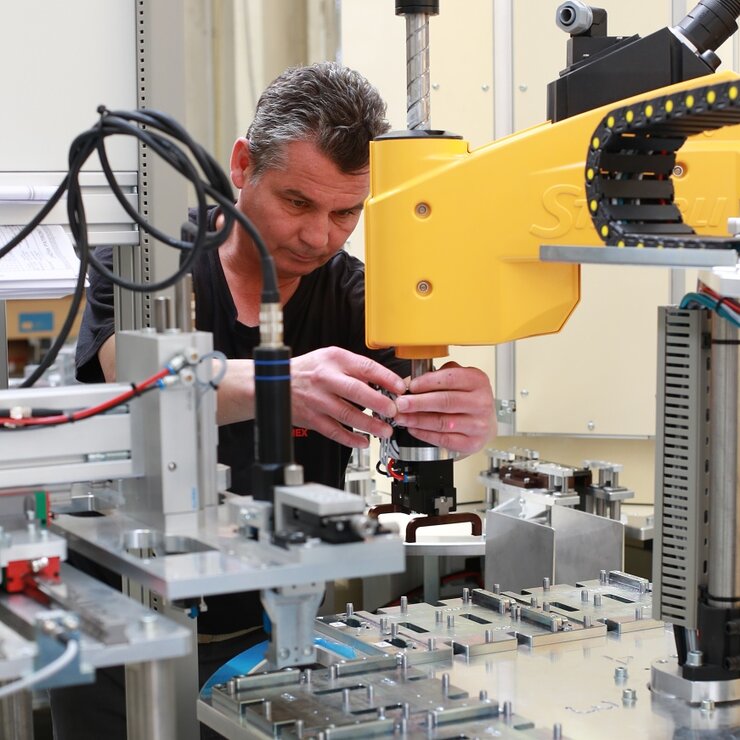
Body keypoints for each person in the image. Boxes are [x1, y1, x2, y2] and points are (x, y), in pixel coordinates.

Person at [55, 61, 495, 739]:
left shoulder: (357, 297)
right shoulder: (151, 264)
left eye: (346, 212)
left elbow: (414, 411)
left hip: (269, 636)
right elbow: (128, 384)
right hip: (121, 629)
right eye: (297, 202)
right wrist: (276, 386)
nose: (320, 236)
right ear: (242, 166)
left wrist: (455, 417)